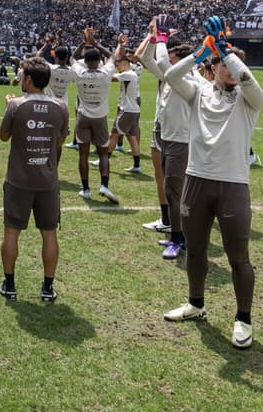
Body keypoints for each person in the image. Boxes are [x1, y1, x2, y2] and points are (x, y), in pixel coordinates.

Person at [161, 17, 262, 348]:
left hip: (232, 184)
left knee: (238, 257)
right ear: (211, 67)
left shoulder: (248, 99)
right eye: (221, 63)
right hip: (196, 180)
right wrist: (202, 51)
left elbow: (252, 84)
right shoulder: (199, 92)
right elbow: (172, 75)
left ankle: (243, 318)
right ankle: (196, 304)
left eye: (232, 62)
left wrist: (228, 52)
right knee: (197, 249)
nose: (230, 69)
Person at [0, 57, 69, 302]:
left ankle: (10, 284)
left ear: (28, 79)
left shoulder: (16, 105)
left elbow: (3, 136)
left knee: (11, 232)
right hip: (47, 180)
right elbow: (59, 141)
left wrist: (10, 108)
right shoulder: (61, 106)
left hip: (19, 179)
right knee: (49, 234)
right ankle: (48, 288)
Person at [140, 17, 197, 260]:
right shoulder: (170, 76)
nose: (167, 57)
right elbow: (146, 59)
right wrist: (153, 39)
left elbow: (161, 60)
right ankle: (178, 234)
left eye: (171, 54)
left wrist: (162, 37)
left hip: (181, 141)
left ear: (178, 58)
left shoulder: (187, 77)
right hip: (168, 138)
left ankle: (179, 239)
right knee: (171, 189)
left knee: (175, 191)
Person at [71, 28, 118, 203]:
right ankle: (104, 185)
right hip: (101, 117)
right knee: (103, 154)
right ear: (99, 61)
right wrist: (96, 43)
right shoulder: (105, 73)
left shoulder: (80, 72)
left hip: (83, 116)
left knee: (83, 155)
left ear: (86, 61)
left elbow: (73, 58)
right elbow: (112, 57)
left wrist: (84, 42)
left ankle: (86, 189)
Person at [106, 34, 143, 174]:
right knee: (132, 138)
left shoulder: (128, 74)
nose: (118, 68)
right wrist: (120, 45)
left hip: (127, 110)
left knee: (113, 134)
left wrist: (106, 67)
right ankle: (137, 165)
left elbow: (110, 78)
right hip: (134, 110)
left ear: (123, 64)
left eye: (118, 65)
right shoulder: (131, 73)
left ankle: (104, 159)